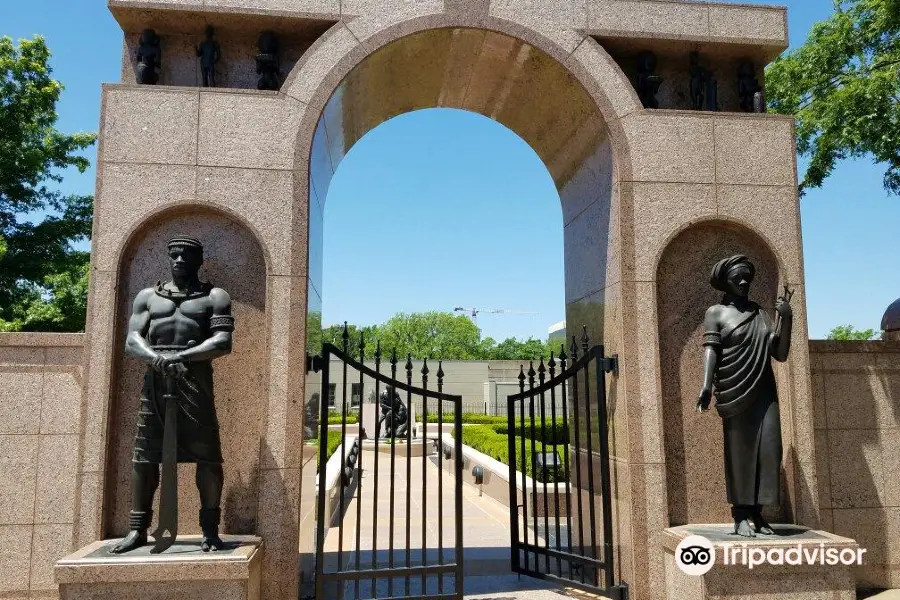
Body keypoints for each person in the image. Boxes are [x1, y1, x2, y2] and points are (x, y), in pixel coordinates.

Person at [112, 236, 234, 553]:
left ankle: (210, 530)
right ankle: (138, 529)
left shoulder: (215, 297)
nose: (179, 259)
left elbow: (222, 342)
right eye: (174, 254)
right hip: (155, 381)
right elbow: (131, 340)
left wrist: (181, 359)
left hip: (195, 382)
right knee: (145, 454)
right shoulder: (147, 297)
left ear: (199, 259)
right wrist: (158, 360)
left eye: (186, 254)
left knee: (208, 457)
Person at [697, 255, 793, 537]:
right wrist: (705, 386)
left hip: (764, 390)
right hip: (733, 389)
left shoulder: (760, 313)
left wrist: (786, 319)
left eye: (746, 277)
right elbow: (711, 349)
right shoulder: (715, 312)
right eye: (736, 277)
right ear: (725, 281)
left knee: (768, 450)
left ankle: (758, 515)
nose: (742, 282)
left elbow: (780, 353)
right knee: (740, 453)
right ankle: (740, 515)